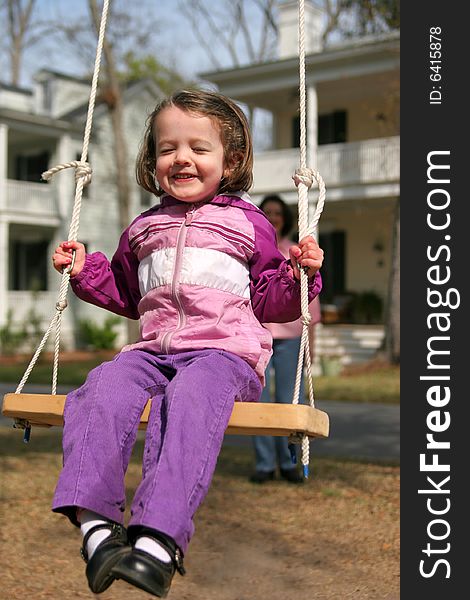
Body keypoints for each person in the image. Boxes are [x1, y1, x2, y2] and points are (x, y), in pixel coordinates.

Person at [51, 90, 323, 598]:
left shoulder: (249, 225)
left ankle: (157, 541)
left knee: (192, 398)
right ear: (152, 160)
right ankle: (97, 531)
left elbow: (271, 301)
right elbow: (128, 294)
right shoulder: (143, 229)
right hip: (153, 352)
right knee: (101, 386)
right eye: (168, 148)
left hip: (224, 355)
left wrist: (300, 278)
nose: (182, 159)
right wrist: (85, 269)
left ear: (231, 160)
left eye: (199, 148)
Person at [250, 195, 322, 484]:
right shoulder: (253, 250)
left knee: (289, 401)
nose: (273, 216)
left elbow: (311, 302)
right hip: (258, 336)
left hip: (291, 336)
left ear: (285, 217)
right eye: (267, 212)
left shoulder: (296, 249)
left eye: (277, 212)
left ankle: (289, 462)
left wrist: (311, 346)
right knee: (259, 401)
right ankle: (265, 464)